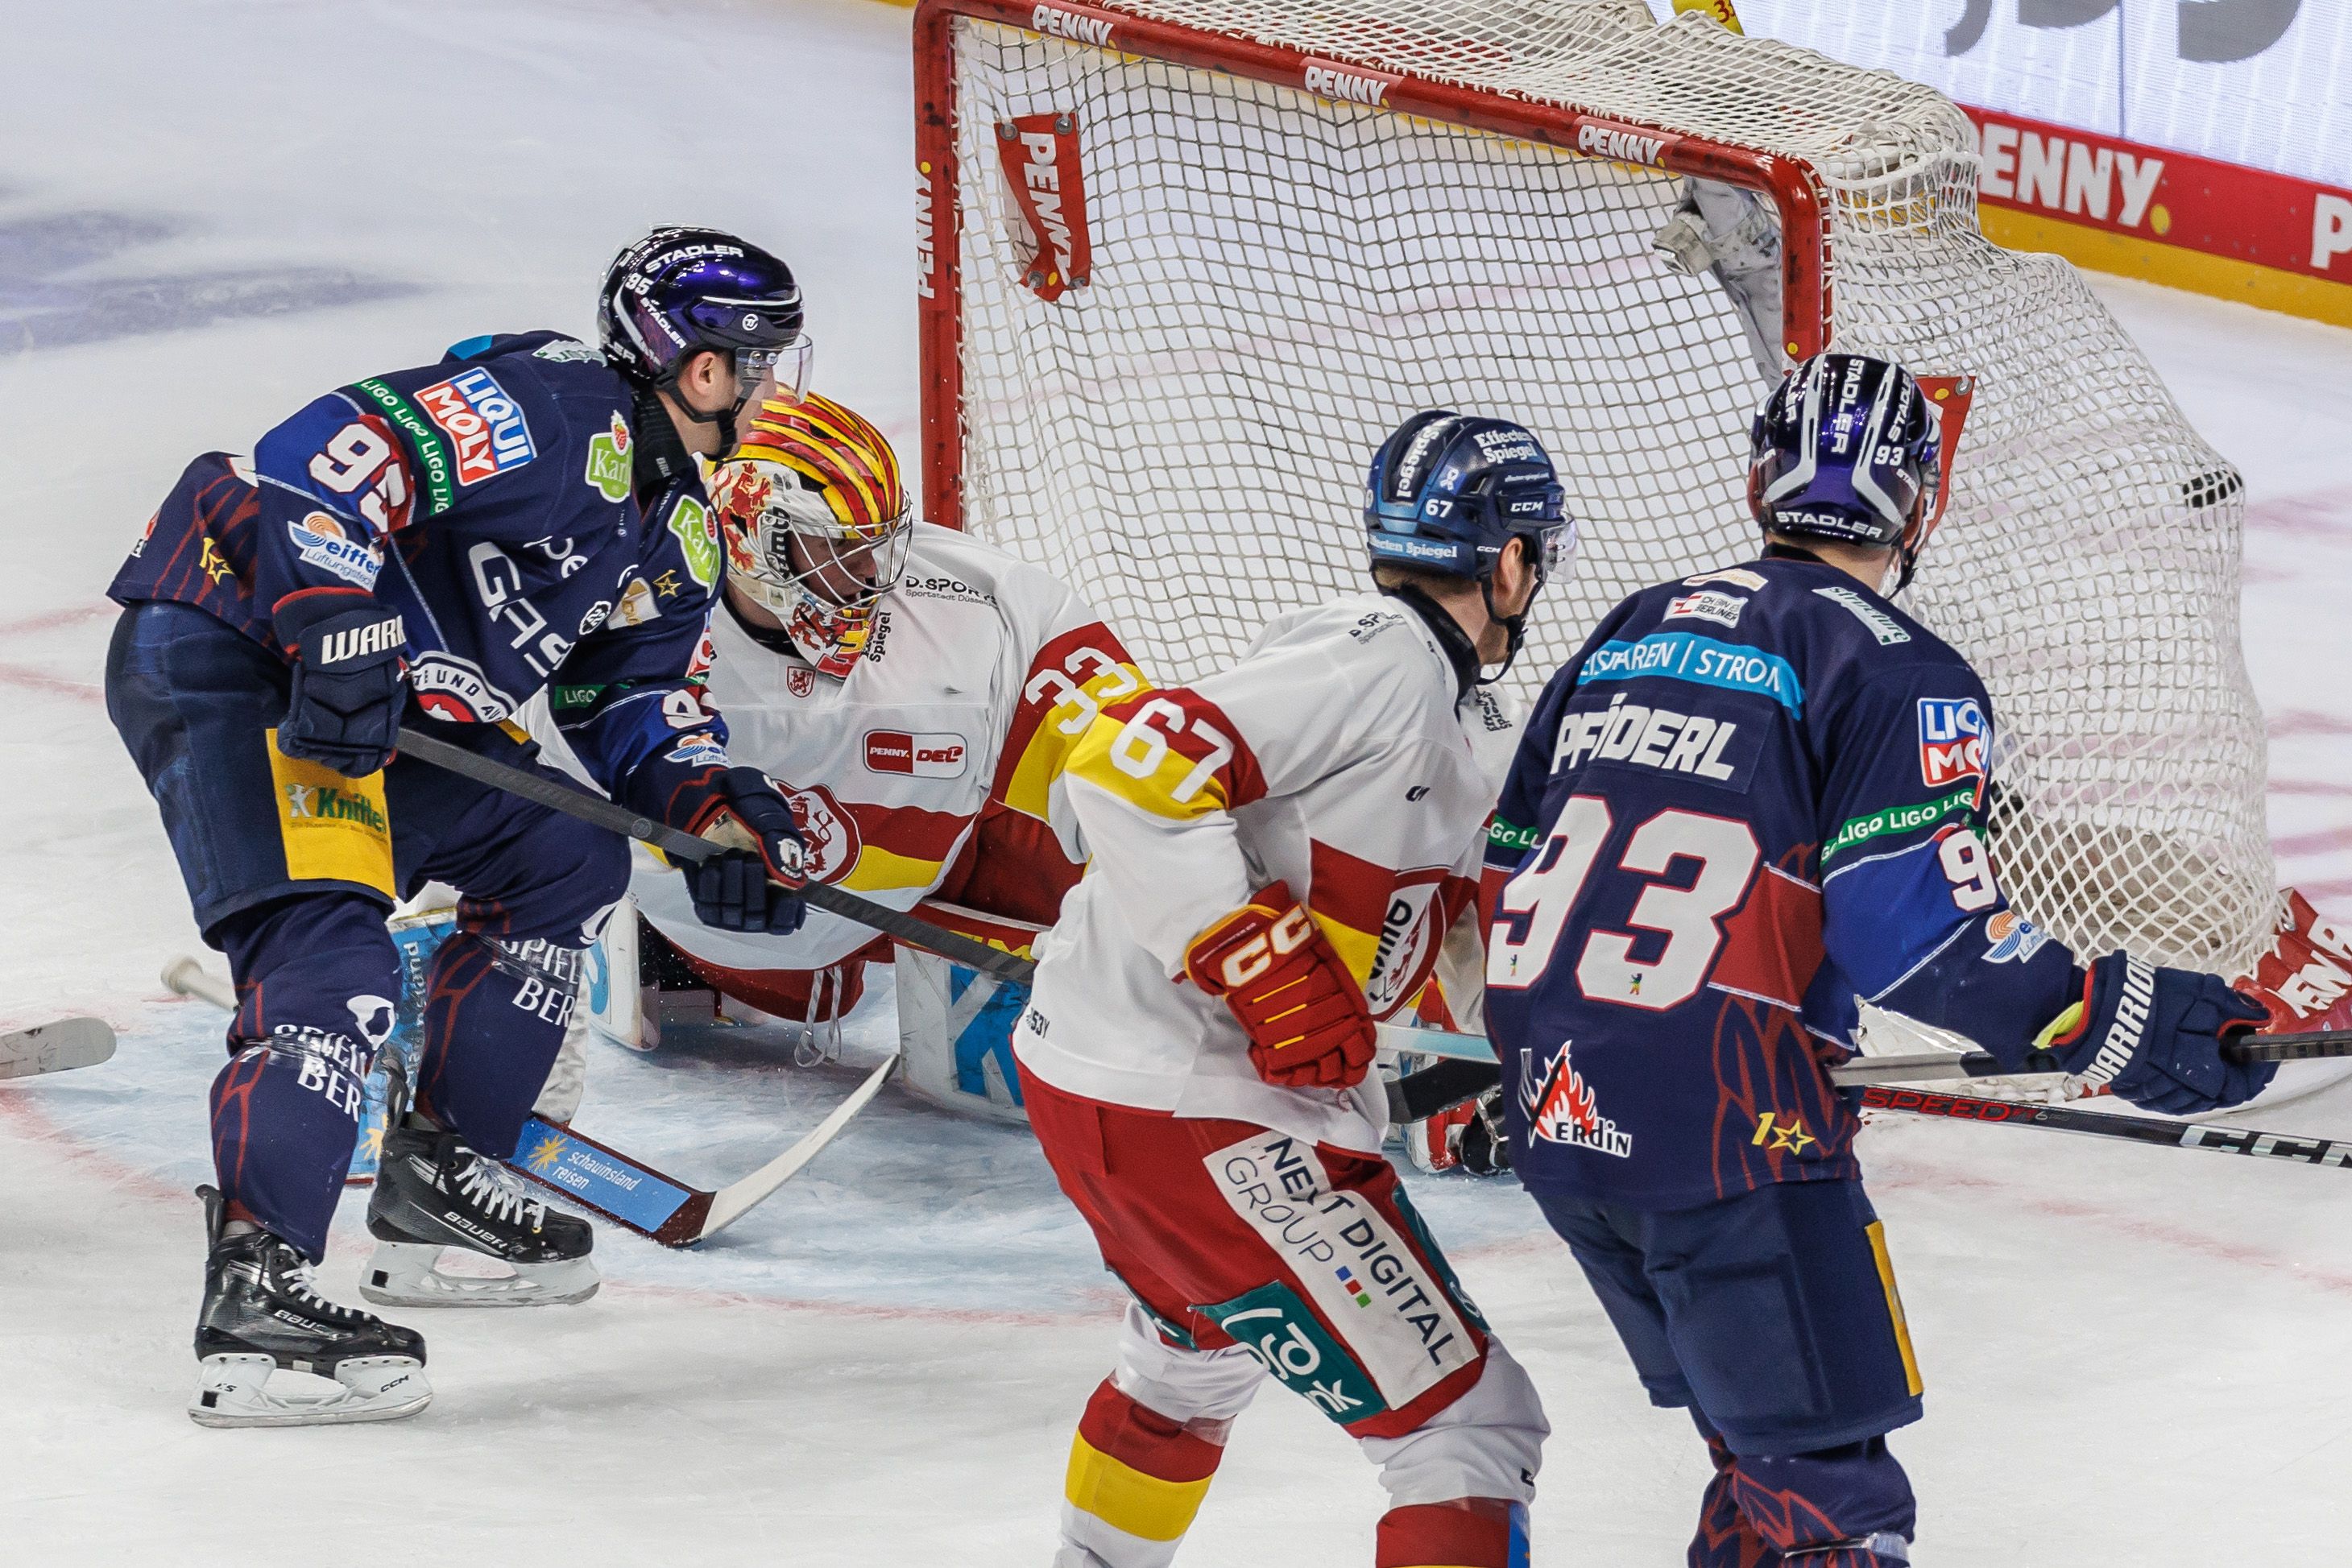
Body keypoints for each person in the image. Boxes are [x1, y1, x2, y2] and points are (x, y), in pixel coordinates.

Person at [1480, 350, 2279, 1566]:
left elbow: (1509, 864)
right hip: (1733, 1142)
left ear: (1761, 477)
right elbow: (1911, 932)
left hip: (1559, 1119)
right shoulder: (1900, 668)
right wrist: (2112, 1015)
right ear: (1921, 498)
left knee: (1761, 1470)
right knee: (1837, 1516)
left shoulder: (1631, 625)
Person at [104, 225, 815, 1427]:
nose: (775, 387)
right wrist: (331, 609)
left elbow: (626, 700)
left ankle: (439, 1172)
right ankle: (257, 1287)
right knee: (331, 954)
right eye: (766, 360)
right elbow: (328, 451)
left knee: (563, 851)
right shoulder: (556, 405)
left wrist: (712, 812)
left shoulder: (670, 526)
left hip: (382, 713)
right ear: (703, 367)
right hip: (242, 647)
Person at [1012, 412, 1568, 1567]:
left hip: (1107, 1090)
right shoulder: (1377, 652)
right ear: (1511, 559)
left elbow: (1449, 953)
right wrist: (1255, 959)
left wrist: (1536, 1051)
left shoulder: (1449, 714)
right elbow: (1121, 763)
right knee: (1466, 1429)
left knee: (1186, 1358)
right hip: (1201, 1106)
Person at [545, 391, 1137, 1118]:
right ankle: (644, 949)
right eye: (838, 551)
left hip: (915, 899)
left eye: (880, 545)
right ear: (751, 535)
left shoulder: (987, 607)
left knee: (1099, 817)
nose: (870, 580)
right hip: (726, 948)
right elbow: (516, 810)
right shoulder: (619, 613)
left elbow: (1130, 756)